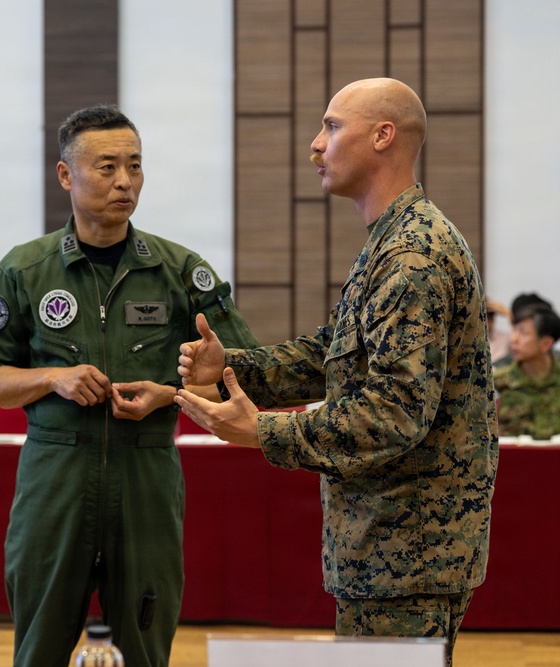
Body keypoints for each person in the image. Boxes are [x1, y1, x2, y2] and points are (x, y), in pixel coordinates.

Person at [175, 78, 497, 667]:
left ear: (382, 136)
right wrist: (233, 368)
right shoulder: (392, 243)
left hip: (408, 549)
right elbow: (335, 354)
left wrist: (265, 432)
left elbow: (395, 413)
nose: (314, 146)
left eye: (331, 126)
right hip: (390, 546)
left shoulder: (413, 256)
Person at [0, 104, 258, 667]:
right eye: (106, 167)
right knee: (39, 651)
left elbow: (241, 379)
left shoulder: (180, 272)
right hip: (55, 485)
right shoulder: (25, 271)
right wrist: (53, 377)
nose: (125, 181)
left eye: (135, 166)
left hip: (145, 483)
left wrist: (170, 394)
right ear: (66, 175)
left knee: (145, 652)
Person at [494, 304, 560, 439]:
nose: (514, 339)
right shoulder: (498, 382)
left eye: (523, 333)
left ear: (546, 344)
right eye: (514, 331)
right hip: (513, 458)